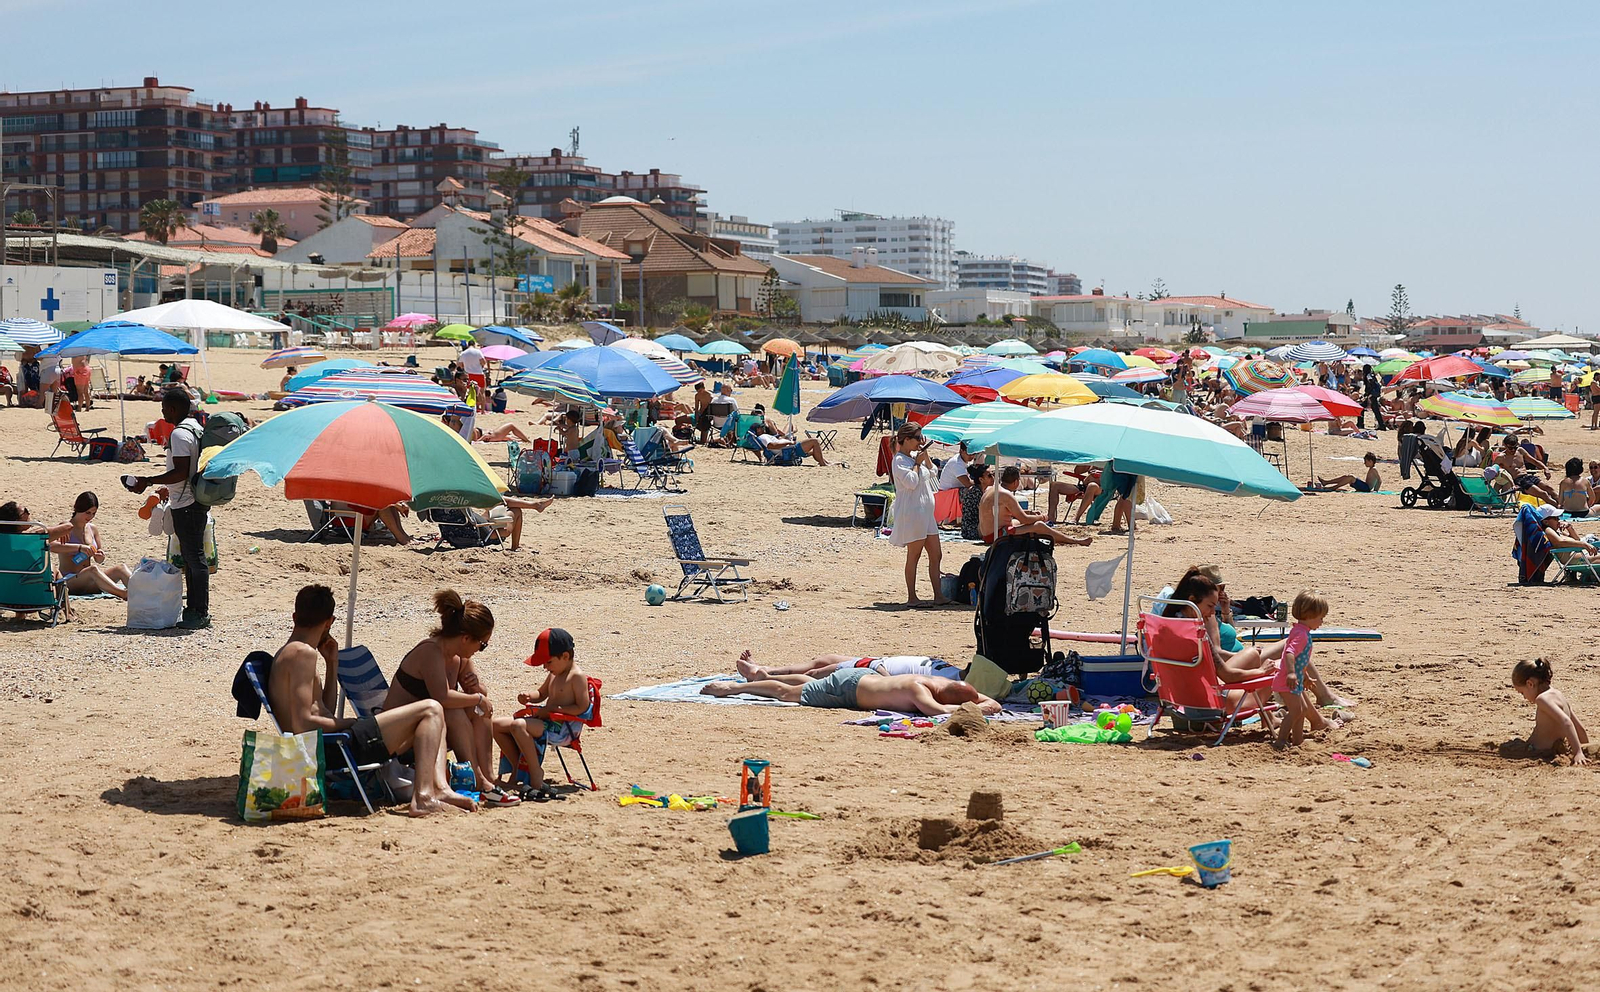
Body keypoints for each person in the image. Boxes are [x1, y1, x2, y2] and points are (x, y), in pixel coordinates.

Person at [266, 584, 475, 816]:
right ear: (330, 622)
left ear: (295, 616)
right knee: (432, 708)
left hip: (330, 742)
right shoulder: (302, 654)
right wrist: (352, 723)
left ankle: (439, 788)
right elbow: (304, 724)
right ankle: (424, 795)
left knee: (435, 713)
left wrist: (331, 664)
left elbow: (323, 710)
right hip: (331, 746)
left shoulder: (292, 651)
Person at [381, 590, 519, 806]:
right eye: (482, 645)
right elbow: (443, 697)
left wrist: (477, 690)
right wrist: (477, 699)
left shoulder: (458, 657)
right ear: (465, 638)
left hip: (426, 732)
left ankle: (487, 776)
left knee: (478, 711)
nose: (480, 650)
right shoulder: (430, 651)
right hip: (396, 740)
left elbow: (479, 695)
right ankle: (477, 779)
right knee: (454, 709)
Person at [129, 388, 210, 629]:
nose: (162, 412)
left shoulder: (179, 434)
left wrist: (148, 481)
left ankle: (199, 612)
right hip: (195, 499)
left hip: (186, 503)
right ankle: (195, 610)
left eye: (164, 408)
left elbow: (181, 472)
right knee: (192, 557)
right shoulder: (196, 428)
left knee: (194, 559)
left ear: (173, 409)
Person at [492, 628, 590, 799]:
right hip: (546, 721)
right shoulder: (555, 673)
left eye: (548, 662)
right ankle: (519, 768)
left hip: (562, 728)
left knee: (518, 725)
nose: (545, 667)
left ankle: (536, 772)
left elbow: (583, 707)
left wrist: (555, 710)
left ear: (565, 657)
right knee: (495, 725)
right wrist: (530, 696)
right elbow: (542, 694)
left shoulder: (577, 677)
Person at [701, 668, 1002, 716]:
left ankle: (763, 674)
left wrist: (985, 704)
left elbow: (986, 702)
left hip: (864, 677)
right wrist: (980, 708)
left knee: (807, 681)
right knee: (786, 693)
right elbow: (940, 712)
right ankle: (732, 688)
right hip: (848, 689)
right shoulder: (919, 692)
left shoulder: (938, 682)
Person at [888, 423, 945, 605]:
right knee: (914, 555)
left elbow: (933, 473)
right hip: (912, 513)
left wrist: (925, 458)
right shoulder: (899, 461)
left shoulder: (914, 457)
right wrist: (917, 464)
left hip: (926, 514)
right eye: (918, 438)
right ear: (906, 440)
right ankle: (912, 597)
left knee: (936, 554)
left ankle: (938, 595)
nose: (920, 441)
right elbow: (911, 482)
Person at [978, 465, 1093, 547]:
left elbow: (1002, 512)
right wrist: (1043, 517)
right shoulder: (1006, 495)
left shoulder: (991, 489)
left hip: (986, 533)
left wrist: (1029, 513)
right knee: (1038, 525)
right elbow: (1025, 519)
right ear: (1016, 481)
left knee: (1019, 522)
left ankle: (1063, 537)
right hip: (996, 537)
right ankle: (1074, 541)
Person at [1273, 591, 1330, 749]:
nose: (1321, 622)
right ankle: (1281, 740)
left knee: (1302, 710)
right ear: (1310, 616)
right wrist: (1291, 673)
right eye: (1320, 618)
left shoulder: (1300, 631)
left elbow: (1300, 660)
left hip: (1294, 680)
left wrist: (1304, 676)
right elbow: (1290, 653)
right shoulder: (1301, 635)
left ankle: (1298, 740)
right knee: (1296, 710)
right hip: (1287, 681)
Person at [1509, 658, 1588, 765]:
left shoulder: (1542, 699)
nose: (1524, 698)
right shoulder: (1558, 694)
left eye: (1522, 693)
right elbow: (1578, 726)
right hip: (1555, 749)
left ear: (1530, 684)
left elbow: (1566, 722)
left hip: (1538, 752)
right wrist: (1585, 746)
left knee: (1508, 748)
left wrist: (1578, 752)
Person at [57, 492, 131, 600]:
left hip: (90, 580)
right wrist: (79, 548)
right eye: (87, 513)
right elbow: (52, 546)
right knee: (93, 570)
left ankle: (142, 590)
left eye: (93, 513)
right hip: (70, 580)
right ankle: (123, 594)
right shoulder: (66, 527)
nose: (90, 517)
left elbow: (99, 560)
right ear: (78, 509)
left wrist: (100, 556)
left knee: (121, 568)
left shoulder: (92, 528)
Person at [735, 648, 964, 682]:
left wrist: (885, 679)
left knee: (817, 674)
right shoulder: (954, 672)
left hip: (875, 669)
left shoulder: (949, 682)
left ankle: (766, 678)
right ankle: (764, 668)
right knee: (823, 661)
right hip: (877, 662)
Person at [1495, 434, 1557, 503]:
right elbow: (1493, 471)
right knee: (1543, 494)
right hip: (1519, 481)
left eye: (1515, 447)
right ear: (1505, 446)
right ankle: (1560, 509)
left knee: (1550, 489)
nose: (1513, 450)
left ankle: (1564, 507)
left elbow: (1534, 461)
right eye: (1510, 448)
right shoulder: (1501, 457)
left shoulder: (1520, 451)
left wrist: (1545, 468)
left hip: (1528, 477)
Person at [754, 422, 829, 465]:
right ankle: (823, 464)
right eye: (761, 427)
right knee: (815, 441)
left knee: (814, 451)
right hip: (790, 450)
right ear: (758, 430)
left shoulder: (764, 436)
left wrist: (783, 438)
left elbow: (774, 444)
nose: (764, 428)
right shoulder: (763, 437)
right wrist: (789, 442)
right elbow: (772, 446)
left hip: (788, 448)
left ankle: (825, 462)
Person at [960, 463, 992, 542]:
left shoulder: (980, 490)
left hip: (974, 527)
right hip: (971, 530)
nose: (993, 478)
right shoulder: (976, 493)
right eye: (989, 476)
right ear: (981, 479)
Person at [458, 341, 487, 411]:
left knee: (469, 392)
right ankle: (482, 410)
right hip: (479, 373)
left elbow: (460, 365)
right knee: (482, 392)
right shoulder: (478, 352)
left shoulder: (463, 353)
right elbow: (483, 362)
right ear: (474, 345)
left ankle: (470, 408)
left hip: (468, 374)